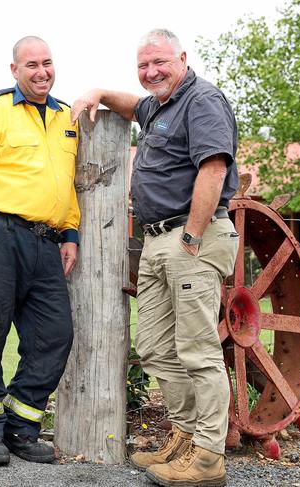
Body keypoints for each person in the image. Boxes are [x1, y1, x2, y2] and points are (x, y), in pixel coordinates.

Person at [72, 29, 238, 487]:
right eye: (143, 66)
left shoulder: (202, 100)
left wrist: (192, 236)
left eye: (160, 63)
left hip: (191, 238)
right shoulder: (159, 107)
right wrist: (101, 92)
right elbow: (133, 105)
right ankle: (185, 436)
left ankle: (208, 456)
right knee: (155, 347)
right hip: (157, 240)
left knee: (199, 352)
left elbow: (214, 167)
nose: (151, 73)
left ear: (183, 58)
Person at [0, 35, 80, 466]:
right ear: (14, 71)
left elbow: (66, 182)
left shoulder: (67, 117)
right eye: (31, 65)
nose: (41, 71)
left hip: (46, 242)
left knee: (55, 334)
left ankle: (20, 427)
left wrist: (71, 233)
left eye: (47, 63)